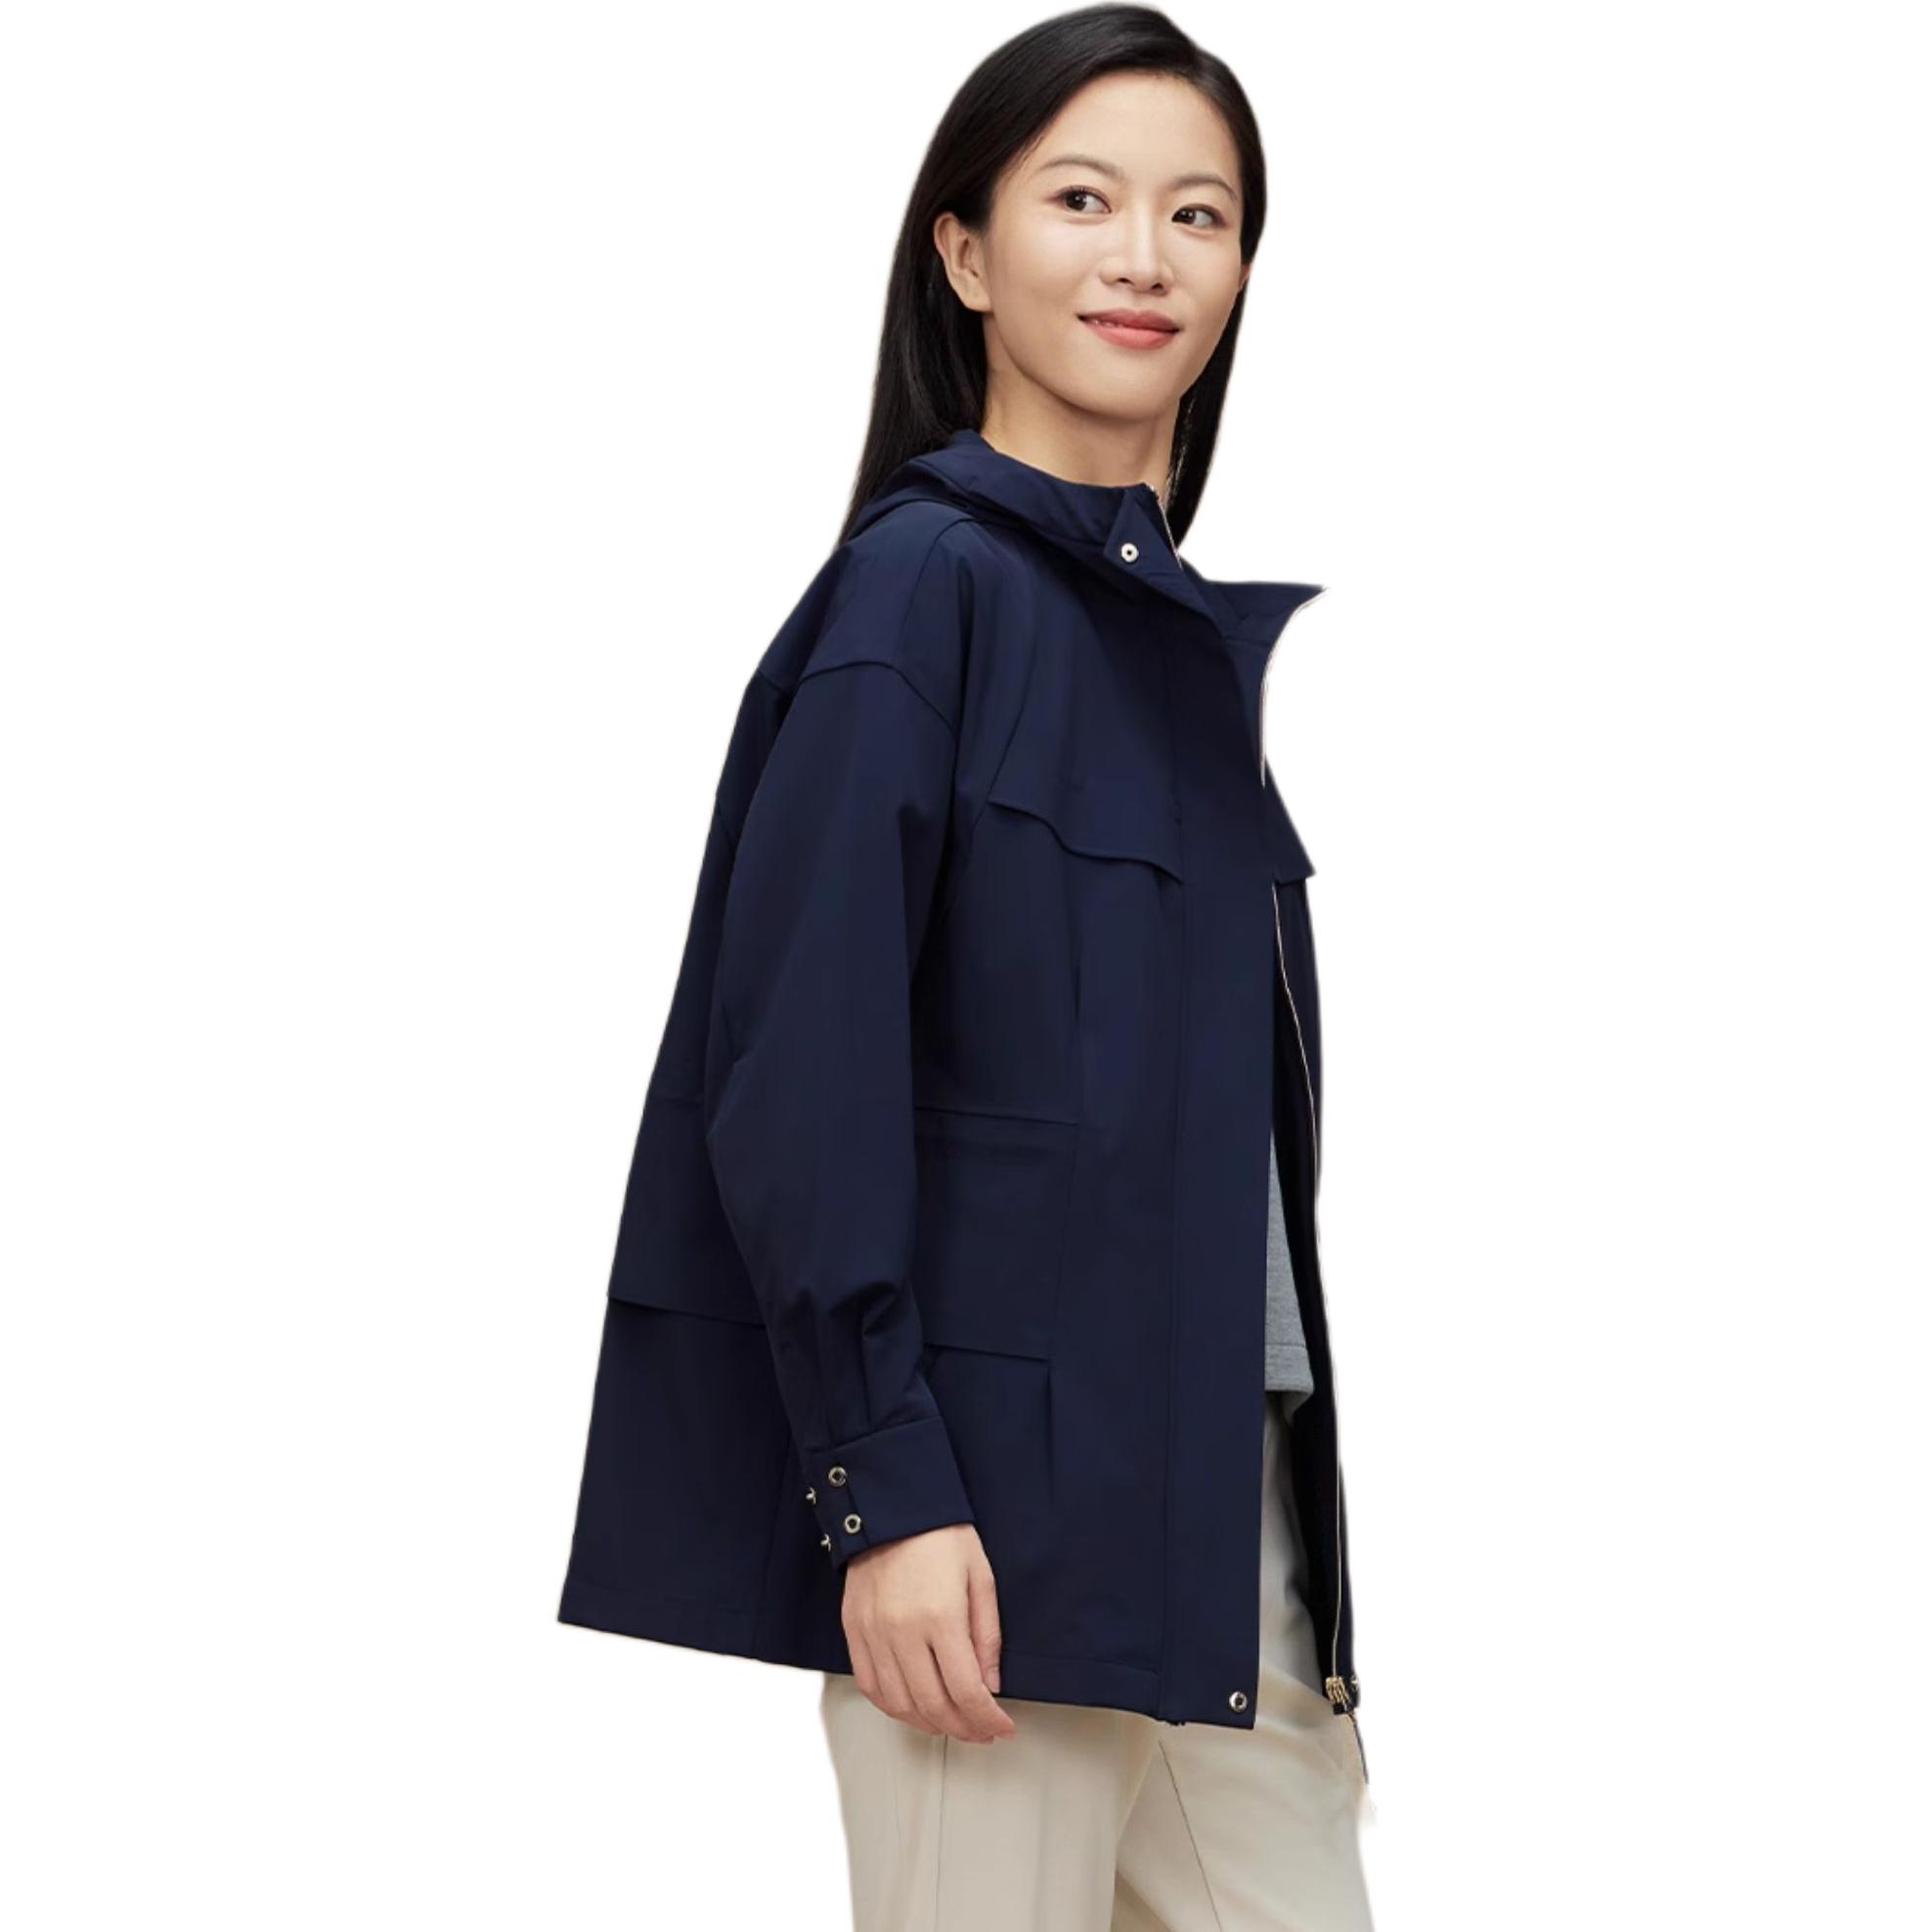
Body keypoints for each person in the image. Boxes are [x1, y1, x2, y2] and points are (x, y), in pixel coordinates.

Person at [559, 8, 1375, 1925]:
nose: (1144, 255)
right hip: (990, 1535)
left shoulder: (1164, 647)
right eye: (1081, 200)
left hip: (1220, 1516)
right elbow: (796, 1075)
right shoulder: (919, 596)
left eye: (1199, 214)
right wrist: (884, 1487)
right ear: (965, 252)